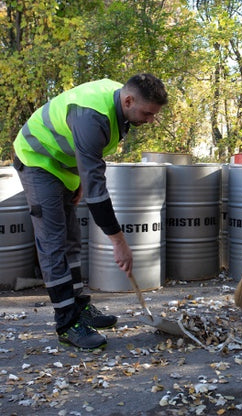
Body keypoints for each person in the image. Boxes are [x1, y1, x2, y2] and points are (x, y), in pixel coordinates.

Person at [13, 73, 168, 350]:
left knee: (72, 238)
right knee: (53, 242)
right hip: (39, 159)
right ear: (129, 100)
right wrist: (119, 242)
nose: (150, 120)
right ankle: (67, 323)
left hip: (62, 167)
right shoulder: (91, 116)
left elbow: (91, 160)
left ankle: (79, 307)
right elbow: (99, 192)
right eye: (147, 113)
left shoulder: (117, 105)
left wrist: (82, 178)